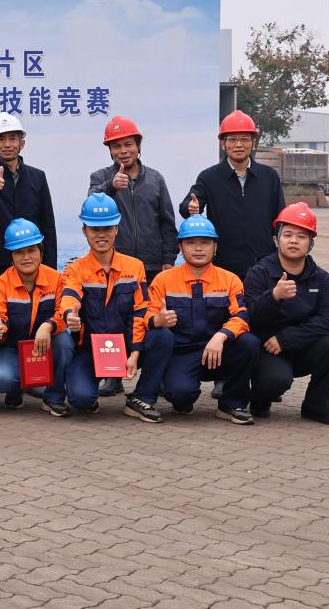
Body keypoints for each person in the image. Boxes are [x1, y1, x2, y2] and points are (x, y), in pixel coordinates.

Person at [58, 194, 171, 422]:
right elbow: (69, 295)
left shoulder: (135, 266)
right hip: (89, 349)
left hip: (127, 346)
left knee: (163, 336)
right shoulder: (75, 269)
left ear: (117, 229)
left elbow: (140, 312)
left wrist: (135, 353)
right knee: (81, 400)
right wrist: (70, 315)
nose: (101, 234)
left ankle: (142, 397)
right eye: (94, 228)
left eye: (107, 228)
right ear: (84, 231)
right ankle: (88, 387)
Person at [87, 116, 178, 398]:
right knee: (115, 321)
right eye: (116, 146)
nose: (123, 151)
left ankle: (152, 377)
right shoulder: (100, 178)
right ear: (109, 150)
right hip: (116, 267)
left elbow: (167, 222)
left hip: (152, 266)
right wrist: (111, 186)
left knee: (150, 321)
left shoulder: (156, 179)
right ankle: (113, 374)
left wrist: (168, 259)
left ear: (138, 145)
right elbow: (91, 202)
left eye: (128, 144)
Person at [138, 215, 259, 425]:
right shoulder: (164, 280)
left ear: (215, 247)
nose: (198, 248)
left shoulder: (230, 279)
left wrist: (221, 336)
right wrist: (158, 320)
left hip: (219, 351)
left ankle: (232, 404)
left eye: (205, 242)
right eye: (191, 242)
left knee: (249, 342)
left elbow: (241, 316)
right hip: (183, 353)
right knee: (180, 395)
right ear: (180, 247)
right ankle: (179, 393)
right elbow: (146, 315)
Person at [243, 203, 329, 425]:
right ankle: (260, 400)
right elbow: (249, 317)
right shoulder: (259, 273)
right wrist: (274, 296)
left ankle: (316, 406)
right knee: (275, 381)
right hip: (268, 349)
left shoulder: (322, 279)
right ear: (276, 240)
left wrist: (286, 338)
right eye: (287, 235)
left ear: (310, 243)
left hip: (301, 345)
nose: (293, 241)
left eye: (301, 236)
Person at [179, 109, 284, 280]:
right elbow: (186, 207)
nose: (238, 145)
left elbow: (280, 220)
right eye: (232, 139)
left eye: (245, 139)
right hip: (223, 268)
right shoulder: (209, 177)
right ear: (223, 143)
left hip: (264, 266)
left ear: (253, 143)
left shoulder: (269, 177)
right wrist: (190, 208)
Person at [0, 218, 65, 417]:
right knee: (1, 378)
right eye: (19, 252)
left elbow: (63, 313)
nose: (26, 257)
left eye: (31, 250)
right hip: (12, 348)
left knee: (65, 342)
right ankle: (16, 389)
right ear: (11, 257)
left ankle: (53, 397)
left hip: (45, 346)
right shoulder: (1, 283)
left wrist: (48, 326)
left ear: (41, 252)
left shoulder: (56, 279)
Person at [0, 112, 57, 277]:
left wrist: (50, 270)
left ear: (21, 143)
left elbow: (48, 225)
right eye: (1, 139)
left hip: (29, 260)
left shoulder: (37, 176)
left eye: (12, 139)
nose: (7, 144)